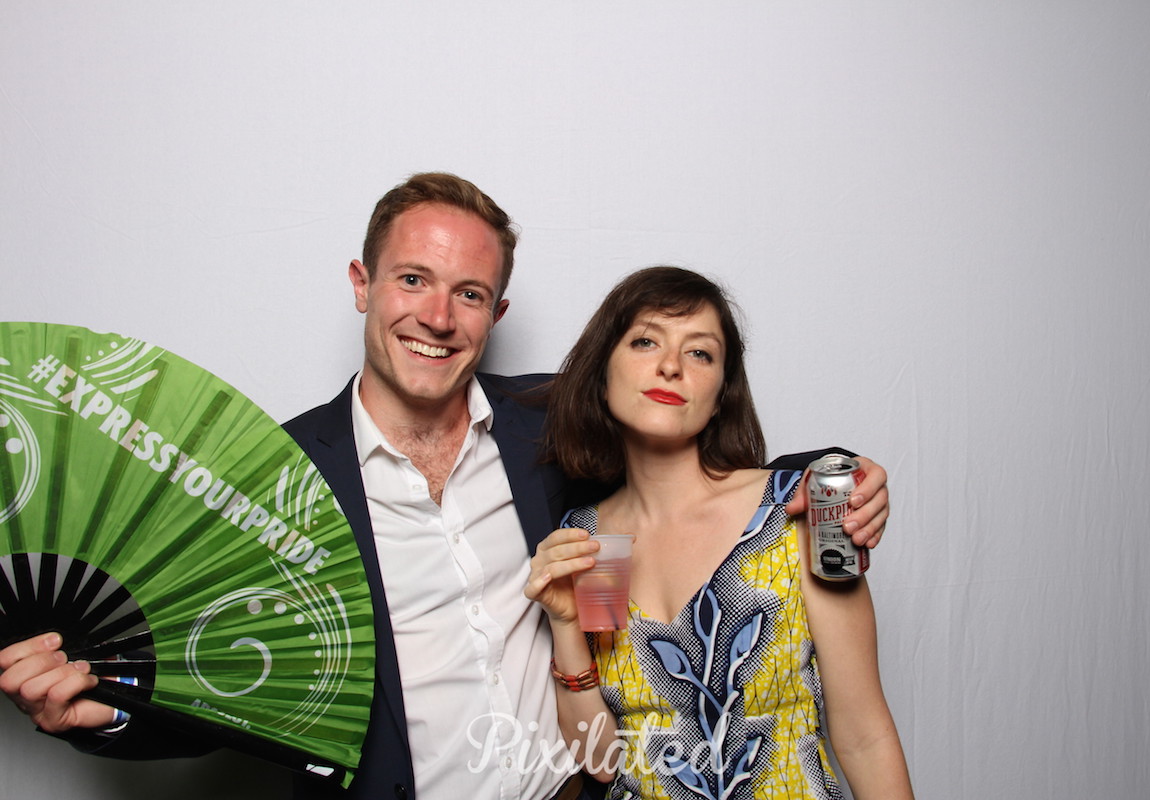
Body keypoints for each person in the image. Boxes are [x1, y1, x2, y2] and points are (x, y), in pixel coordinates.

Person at [0, 175, 892, 800]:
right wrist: (104, 714)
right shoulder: (279, 476)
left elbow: (683, 440)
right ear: (363, 285)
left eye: (469, 293)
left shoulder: (553, 431)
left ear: (496, 313)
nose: (437, 315)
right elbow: (227, 673)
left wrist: (838, 478)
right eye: (413, 279)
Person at [524, 266, 913, 799]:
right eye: (645, 341)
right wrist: (567, 627)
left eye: (700, 353)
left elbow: (866, 736)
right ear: (602, 375)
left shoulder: (802, 510)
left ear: (720, 394)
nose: (670, 366)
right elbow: (604, 762)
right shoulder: (592, 542)